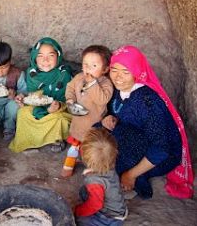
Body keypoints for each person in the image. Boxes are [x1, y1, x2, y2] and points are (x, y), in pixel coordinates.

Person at [101, 45, 193, 199]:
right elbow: (117, 110)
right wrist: (109, 118)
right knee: (98, 131)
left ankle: (136, 179)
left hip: (162, 156)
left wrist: (130, 174)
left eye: (126, 72)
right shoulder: (120, 89)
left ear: (137, 72)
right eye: (114, 70)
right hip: (135, 136)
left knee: (115, 149)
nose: (118, 77)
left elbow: (162, 148)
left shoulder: (147, 102)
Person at [9, 37, 72, 153]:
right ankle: (30, 138)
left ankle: (55, 139)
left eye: (51, 56)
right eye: (40, 56)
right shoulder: (32, 73)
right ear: (34, 58)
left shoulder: (64, 74)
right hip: (38, 107)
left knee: (59, 119)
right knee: (22, 113)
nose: (45, 60)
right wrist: (23, 97)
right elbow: (32, 94)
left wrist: (58, 106)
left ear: (58, 56)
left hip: (59, 109)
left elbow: (70, 99)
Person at [61, 45, 114, 177]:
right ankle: (68, 166)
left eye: (94, 66)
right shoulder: (79, 77)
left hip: (94, 128)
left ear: (105, 69)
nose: (88, 69)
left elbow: (102, 99)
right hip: (78, 123)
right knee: (74, 147)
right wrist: (70, 99)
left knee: (92, 151)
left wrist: (92, 84)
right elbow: (70, 87)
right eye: (85, 64)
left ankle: (92, 169)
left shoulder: (106, 84)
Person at [75, 128, 128, 226]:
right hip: (117, 206)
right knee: (83, 191)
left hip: (109, 217)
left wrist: (78, 211)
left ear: (83, 157)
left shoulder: (94, 181)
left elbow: (95, 205)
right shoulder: (109, 163)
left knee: (81, 220)